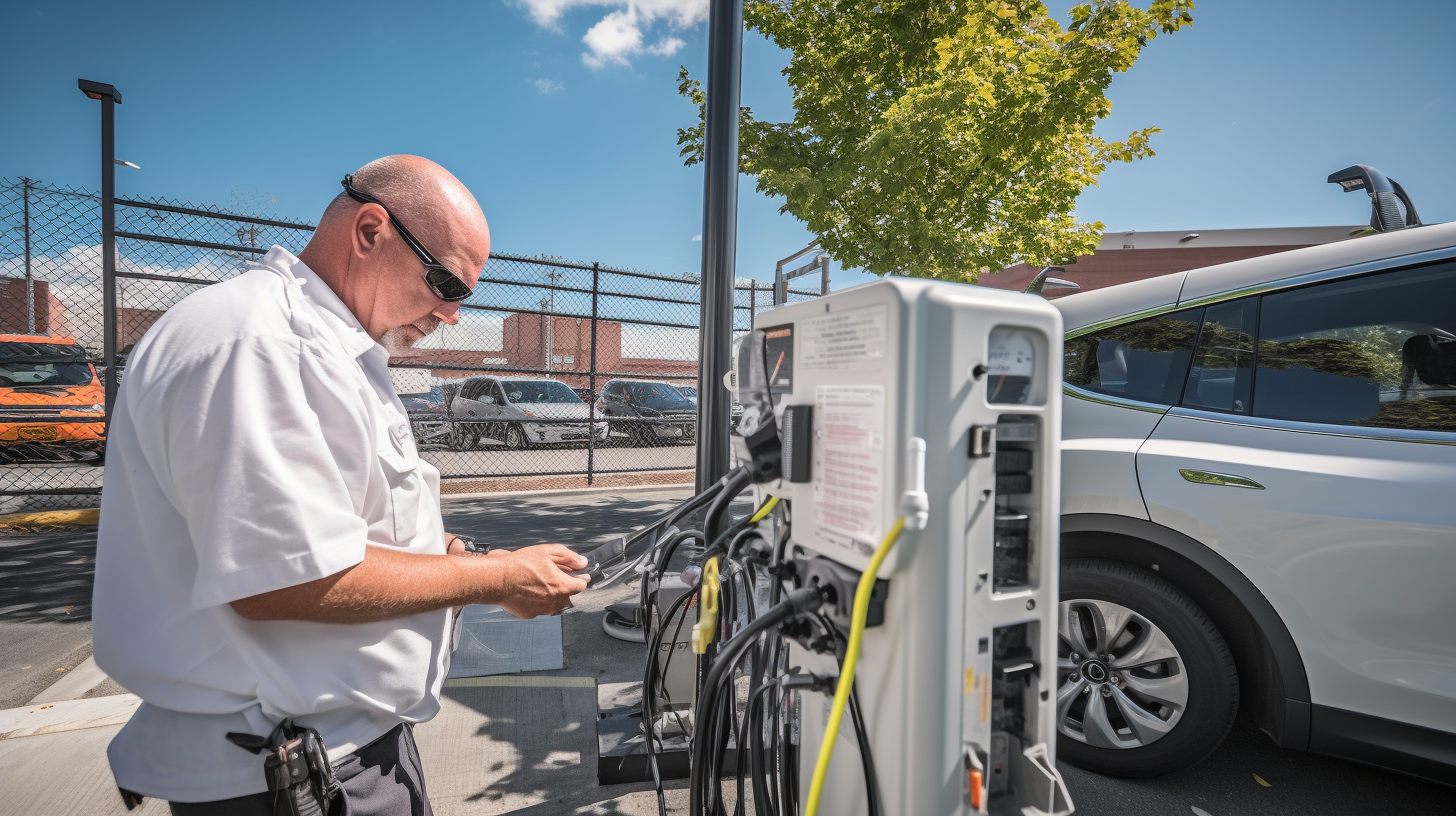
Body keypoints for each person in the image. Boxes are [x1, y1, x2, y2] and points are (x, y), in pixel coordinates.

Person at [91, 155, 589, 815]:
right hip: (290, 771)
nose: (448, 313)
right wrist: (498, 580)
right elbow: (283, 580)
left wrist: (443, 558)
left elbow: (333, 523)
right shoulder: (263, 345)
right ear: (369, 231)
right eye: (445, 282)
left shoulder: (327, 347)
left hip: (328, 749)